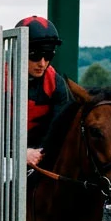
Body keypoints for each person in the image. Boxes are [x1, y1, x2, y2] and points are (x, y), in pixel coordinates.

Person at [16, 15, 73, 168]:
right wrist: (19, 153)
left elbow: (59, 128)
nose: (42, 63)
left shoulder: (55, 82)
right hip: (1, 155)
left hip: (39, 154)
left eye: (48, 56)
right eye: (35, 55)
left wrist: (40, 152)